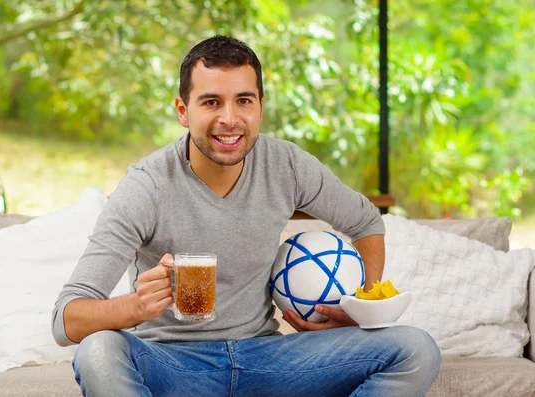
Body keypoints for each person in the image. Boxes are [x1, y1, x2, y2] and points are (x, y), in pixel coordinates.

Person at [52, 35, 441, 397]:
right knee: (98, 351)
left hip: (269, 360)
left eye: (243, 100)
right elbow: (66, 320)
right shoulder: (147, 186)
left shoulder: (285, 165)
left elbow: (366, 222)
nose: (229, 118)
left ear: (260, 107)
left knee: (415, 348)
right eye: (210, 102)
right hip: (173, 364)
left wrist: (360, 306)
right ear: (183, 111)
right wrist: (134, 307)